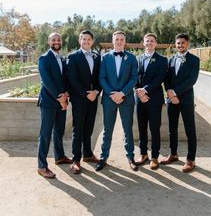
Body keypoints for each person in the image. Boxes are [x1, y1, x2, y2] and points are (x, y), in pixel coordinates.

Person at [95, 31, 138, 172]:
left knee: (128, 130)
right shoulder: (105, 58)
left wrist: (122, 93)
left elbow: (133, 78)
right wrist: (112, 94)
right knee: (107, 130)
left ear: (125, 42)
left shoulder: (132, 58)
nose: (119, 41)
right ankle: (103, 157)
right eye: (117, 39)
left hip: (126, 99)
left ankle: (130, 157)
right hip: (109, 99)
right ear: (113, 41)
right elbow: (102, 78)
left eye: (121, 39)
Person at [160, 33, 200, 172]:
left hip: (186, 100)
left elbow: (191, 80)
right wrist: (170, 94)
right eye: (178, 43)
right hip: (172, 100)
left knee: (190, 130)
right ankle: (173, 154)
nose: (180, 45)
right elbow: (166, 79)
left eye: (182, 43)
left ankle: (190, 160)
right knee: (172, 129)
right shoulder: (170, 60)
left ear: (187, 44)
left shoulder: (194, 60)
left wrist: (175, 93)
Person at [37, 33, 72, 179]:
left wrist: (66, 95)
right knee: (45, 134)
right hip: (49, 102)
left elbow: (65, 79)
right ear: (49, 42)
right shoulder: (44, 58)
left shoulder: (63, 59)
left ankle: (59, 156)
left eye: (58, 40)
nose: (56, 42)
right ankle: (41, 166)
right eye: (53, 40)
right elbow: (47, 81)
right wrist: (60, 98)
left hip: (62, 100)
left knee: (59, 131)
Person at [67, 30, 101, 174]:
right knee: (78, 129)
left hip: (93, 98)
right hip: (80, 99)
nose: (86, 41)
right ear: (79, 40)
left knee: (89, 127)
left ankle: (88, 154)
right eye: (83, 39)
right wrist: (85, 94)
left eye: (89, 39)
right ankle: (76, 159)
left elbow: (100, 77)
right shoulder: (73, 57)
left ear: (92, 41)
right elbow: (72, 79)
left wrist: (96, 92)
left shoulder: (97, 56)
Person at [135, 33, 168, 170]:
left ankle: (154, 157)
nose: (149, 43)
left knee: (154, 128)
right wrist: (139, 91)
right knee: (141, 127)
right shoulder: (138, 59)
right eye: (147, 41)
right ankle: (143, 154)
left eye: (151, 41)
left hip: (154, 99)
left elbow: (159, 78)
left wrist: (145, 90)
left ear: (155, 43)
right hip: (139, 98)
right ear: (143, 43)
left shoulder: (162, 60)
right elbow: (134, 76)